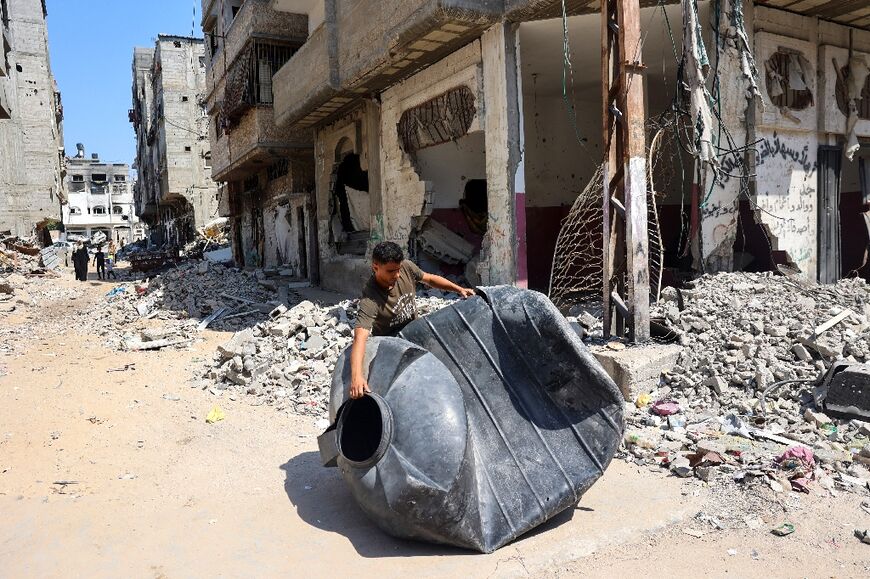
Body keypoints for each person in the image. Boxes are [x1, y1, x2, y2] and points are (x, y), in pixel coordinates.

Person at [349, 241, 474, 399]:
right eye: (391, 271)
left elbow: (429, 279)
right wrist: (356, 377)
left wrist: (459, 289)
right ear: (375, 267)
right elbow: (360, 338)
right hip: (393, 348)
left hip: (416, 336)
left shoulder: (406, 267)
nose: (397, 275)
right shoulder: (370, 298)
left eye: (398, 269)